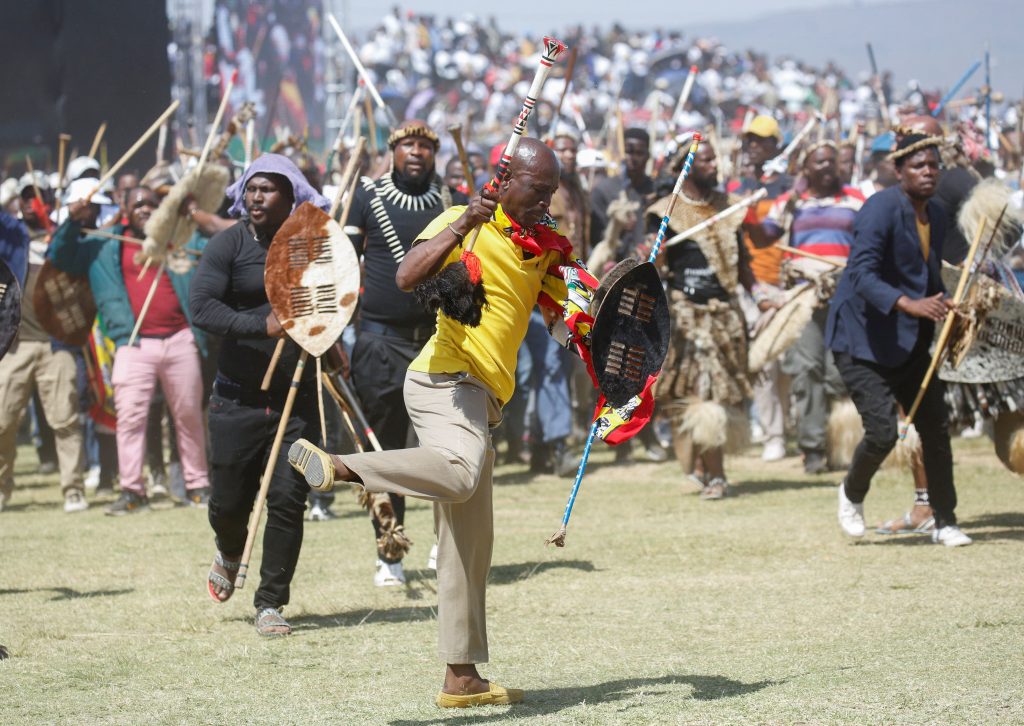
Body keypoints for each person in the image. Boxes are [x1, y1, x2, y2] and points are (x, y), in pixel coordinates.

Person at [288, 139, 587, 707]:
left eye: (552, 192)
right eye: (537, 189)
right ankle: (341, 466)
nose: (546, 200)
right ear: (506, 181)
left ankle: (462, 676)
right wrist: (462, 224)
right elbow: (405, 276)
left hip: (483, 400)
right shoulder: (463, 221)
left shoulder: (545, 248)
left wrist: (598, 339)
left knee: (469, 545)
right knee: (459, 472)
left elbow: (564, 319)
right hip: (443, 380)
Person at [189, 154, 333, 635]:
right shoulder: (227, 244)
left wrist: (331, 346)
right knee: (228, 502)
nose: (255, 197)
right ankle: (229, 549)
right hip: (236, 397)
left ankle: (271, 603)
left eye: (268, 189)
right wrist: (262, 325)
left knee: (290, 498)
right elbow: (202, 308)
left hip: (296, 398)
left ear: (292, 196)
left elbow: (329, 303)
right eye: (251, 188)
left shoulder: (310, 248)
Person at [825, 134, 972, 547]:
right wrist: (909, 304)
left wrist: (945, 302)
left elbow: (925, 276)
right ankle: (852, 493)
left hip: (910, 340)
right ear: (898, 170)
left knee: (935, 429)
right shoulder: (880, 209)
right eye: (919, 166)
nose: (928, 172)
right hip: (862, 340)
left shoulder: (938, 214)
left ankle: (945, 520)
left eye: (934, 166)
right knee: (882, 433)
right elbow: (861, 274)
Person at [346, 120, 462, 586]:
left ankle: (444, 544)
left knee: (446, 450)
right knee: (387, 451)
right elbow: (342, 258)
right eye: (408, 145)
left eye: (426, 146)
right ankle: (389, 550)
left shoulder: (450, 199)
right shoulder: (367, 194)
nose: (417, 152)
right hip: (379, 342)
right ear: (393, 151)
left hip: (438, 341)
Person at [49, 184, 211, 515]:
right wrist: (71, 221)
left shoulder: (179, 239)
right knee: (130, 419)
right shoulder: (102, 243)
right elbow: (60, 255)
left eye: (151, 203)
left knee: (189, 416)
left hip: (180, 339)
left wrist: (191, 213)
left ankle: (198, 485)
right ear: (124, 207)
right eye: (137, 204)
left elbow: (213, 249)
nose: (144, 209)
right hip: (132, 344)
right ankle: (133, 491)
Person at [748, 140, 865, 473]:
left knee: (840, 372)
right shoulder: (790, 203)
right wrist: (746, 212)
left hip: (846, 297)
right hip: (803, 297)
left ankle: (843, 443)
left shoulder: (855, 199)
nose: (827, 167)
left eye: (831, 161)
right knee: (807, 369)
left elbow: (873, 239)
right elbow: (762, 237)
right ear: (806, 168)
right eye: (819, 162)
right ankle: (812, 449)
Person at [652, 140, 757, 498]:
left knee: (720, 390)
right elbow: (653, 265)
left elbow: (742, 260)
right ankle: (716, 475)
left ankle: (701, 466)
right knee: (701, 390)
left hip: (726, 314)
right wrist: (653, 254)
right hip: (687, 317)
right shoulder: (665, 212)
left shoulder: (729, 207)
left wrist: (760, 297)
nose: (716, 164)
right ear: (686, 166)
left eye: (717, 157)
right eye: (707, 158)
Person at [0, 186, 86, 513]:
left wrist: (68, 222)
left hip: (56, 345)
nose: (32, 204)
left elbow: (68, 252)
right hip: (15, 345)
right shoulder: (11, 239)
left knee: (65, 419)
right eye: (25, 199)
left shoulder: (63, 240)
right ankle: (1, 488)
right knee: (2, 421)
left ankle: (73, 489)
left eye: (39, 198)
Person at [738, 115, 791, 463]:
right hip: (749, 285)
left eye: (761, 140)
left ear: (776, 145)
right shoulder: (737, 187)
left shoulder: (789, 186)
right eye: (750, 140)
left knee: (787, 364)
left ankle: (787, 425)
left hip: (786, 284)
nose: (754, 146)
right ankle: (774, 434)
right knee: (762, 362)